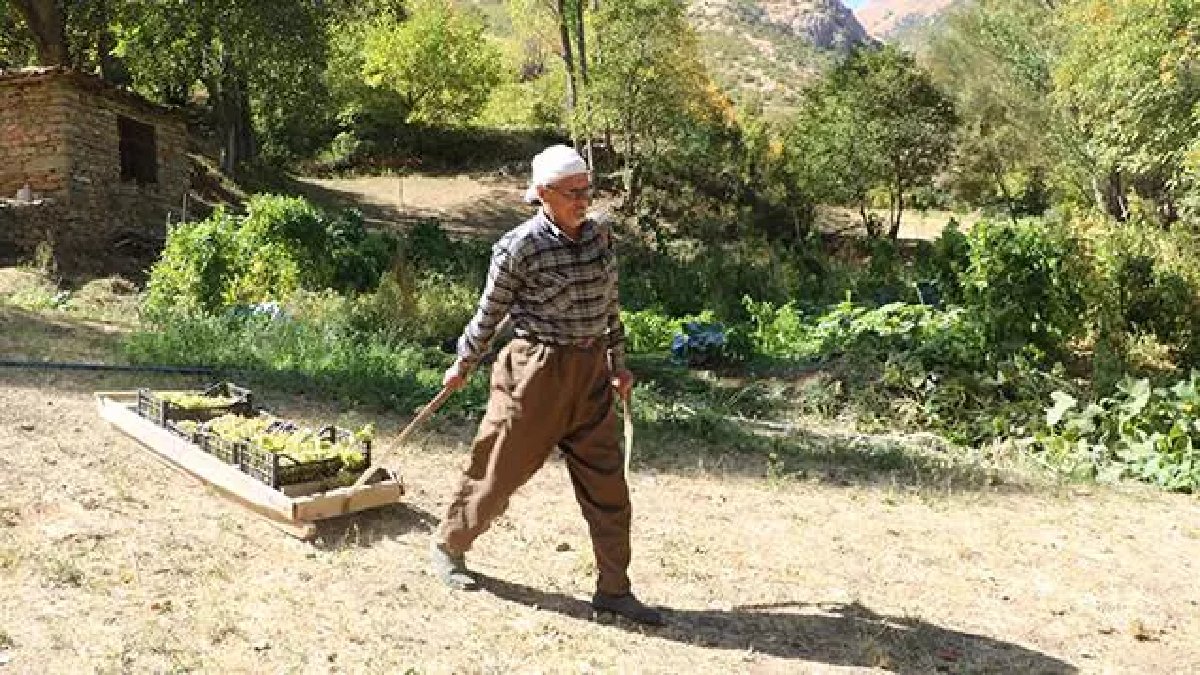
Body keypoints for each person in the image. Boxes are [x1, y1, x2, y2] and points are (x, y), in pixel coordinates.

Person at [430, 145, 664, 626]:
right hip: (533, 374)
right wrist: (463, 363)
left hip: (591, 375)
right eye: (572, 192)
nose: (584, 201)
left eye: (587, 190)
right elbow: (489, 315)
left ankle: (614, 590)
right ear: (542, 194)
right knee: (497, 473)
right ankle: (449, 547)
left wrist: (619, 362)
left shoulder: (600, 236)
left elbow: (610, 304)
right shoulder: (519, 247)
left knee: (609, 489)